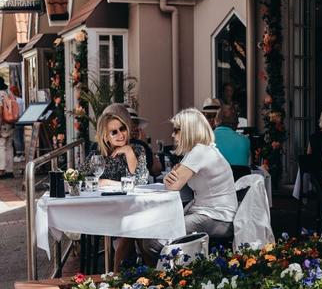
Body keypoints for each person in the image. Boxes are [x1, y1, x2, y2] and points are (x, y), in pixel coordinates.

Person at [140, 108, 238, 265]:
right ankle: (173, 273)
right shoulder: (201, 150)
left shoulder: (199, 152)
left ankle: (171, 276)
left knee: (153, 240)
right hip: (214, 214)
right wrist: (171, 178)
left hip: (216, 217)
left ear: (188, 130)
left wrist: (171, 178)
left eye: (176, 130)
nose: (173, 135)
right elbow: (172, 182)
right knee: (151, 232)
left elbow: (172, 186)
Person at [79, 103, 149, 270]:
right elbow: (79, 177)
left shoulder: (137, 149)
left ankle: (117, 274)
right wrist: (98, 182)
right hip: (104, 209)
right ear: (106, 136)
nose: (120, 135)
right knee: (133, 229)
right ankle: (120, 275)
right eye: (114, 132)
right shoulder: (98, 153)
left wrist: (129, 152)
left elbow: (140, 182)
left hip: (129, 209)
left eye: (122, 129)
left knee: (134, 227)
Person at [126, 106, 162, 176]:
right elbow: (157, 169)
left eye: (136, 125)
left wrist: (144, 144)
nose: (134, 129)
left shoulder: (140, 145)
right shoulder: (138, 145)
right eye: (131, 125)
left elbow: (157, 169)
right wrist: (143, 144)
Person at [0, 77, 18, 178]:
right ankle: (9, 170)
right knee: (9, 146)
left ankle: (1, 170)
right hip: (11, 122)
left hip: (2, 123)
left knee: (1, 146)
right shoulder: (9, 93)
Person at [10, 86, 24, 162]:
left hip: (15, 120)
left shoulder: (13, 100)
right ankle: (22, 154)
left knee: (16, 138)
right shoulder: (21, 100)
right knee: (21, 138)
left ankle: (18, 155)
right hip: (22, 119)